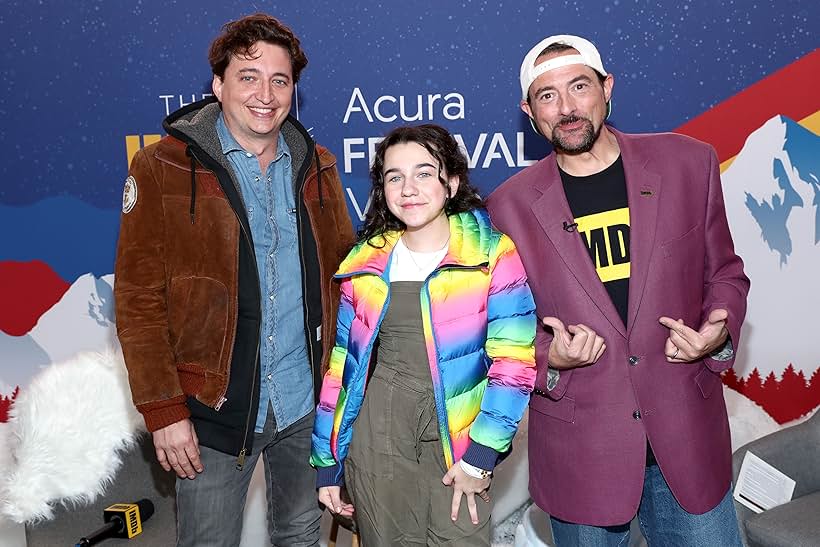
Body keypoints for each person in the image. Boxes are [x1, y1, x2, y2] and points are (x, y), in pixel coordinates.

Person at [487, 35, 750, 546]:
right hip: (582, 456)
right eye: (547, 95)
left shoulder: (686, 164)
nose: (566, 108)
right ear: (528, 111)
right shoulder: (507, 209)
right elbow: (496, 332)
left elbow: (726, 275)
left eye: (579, 86)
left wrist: (715, 332)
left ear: (607, 88)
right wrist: (550, 357)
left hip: (688, 446)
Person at [114, 13, 353, 547]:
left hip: (305, 407)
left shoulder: (319, 167)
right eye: (248, 76)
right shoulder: (160, 168)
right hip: (211, 413)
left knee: (302, 536)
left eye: (279, 80)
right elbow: (137, 301)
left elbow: (348, 280)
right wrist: (164, 411)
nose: (264, 94)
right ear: (218, 85)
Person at [310, 124, 536, 545]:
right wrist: (328, 460)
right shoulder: (365, 262)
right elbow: (341, 365)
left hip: (459, 444)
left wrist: (480, 458)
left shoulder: (492, 254)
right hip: (379, 440)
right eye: (394, 176)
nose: (408, 188)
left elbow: (514, 364)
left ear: (450, 182)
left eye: (423, 173)